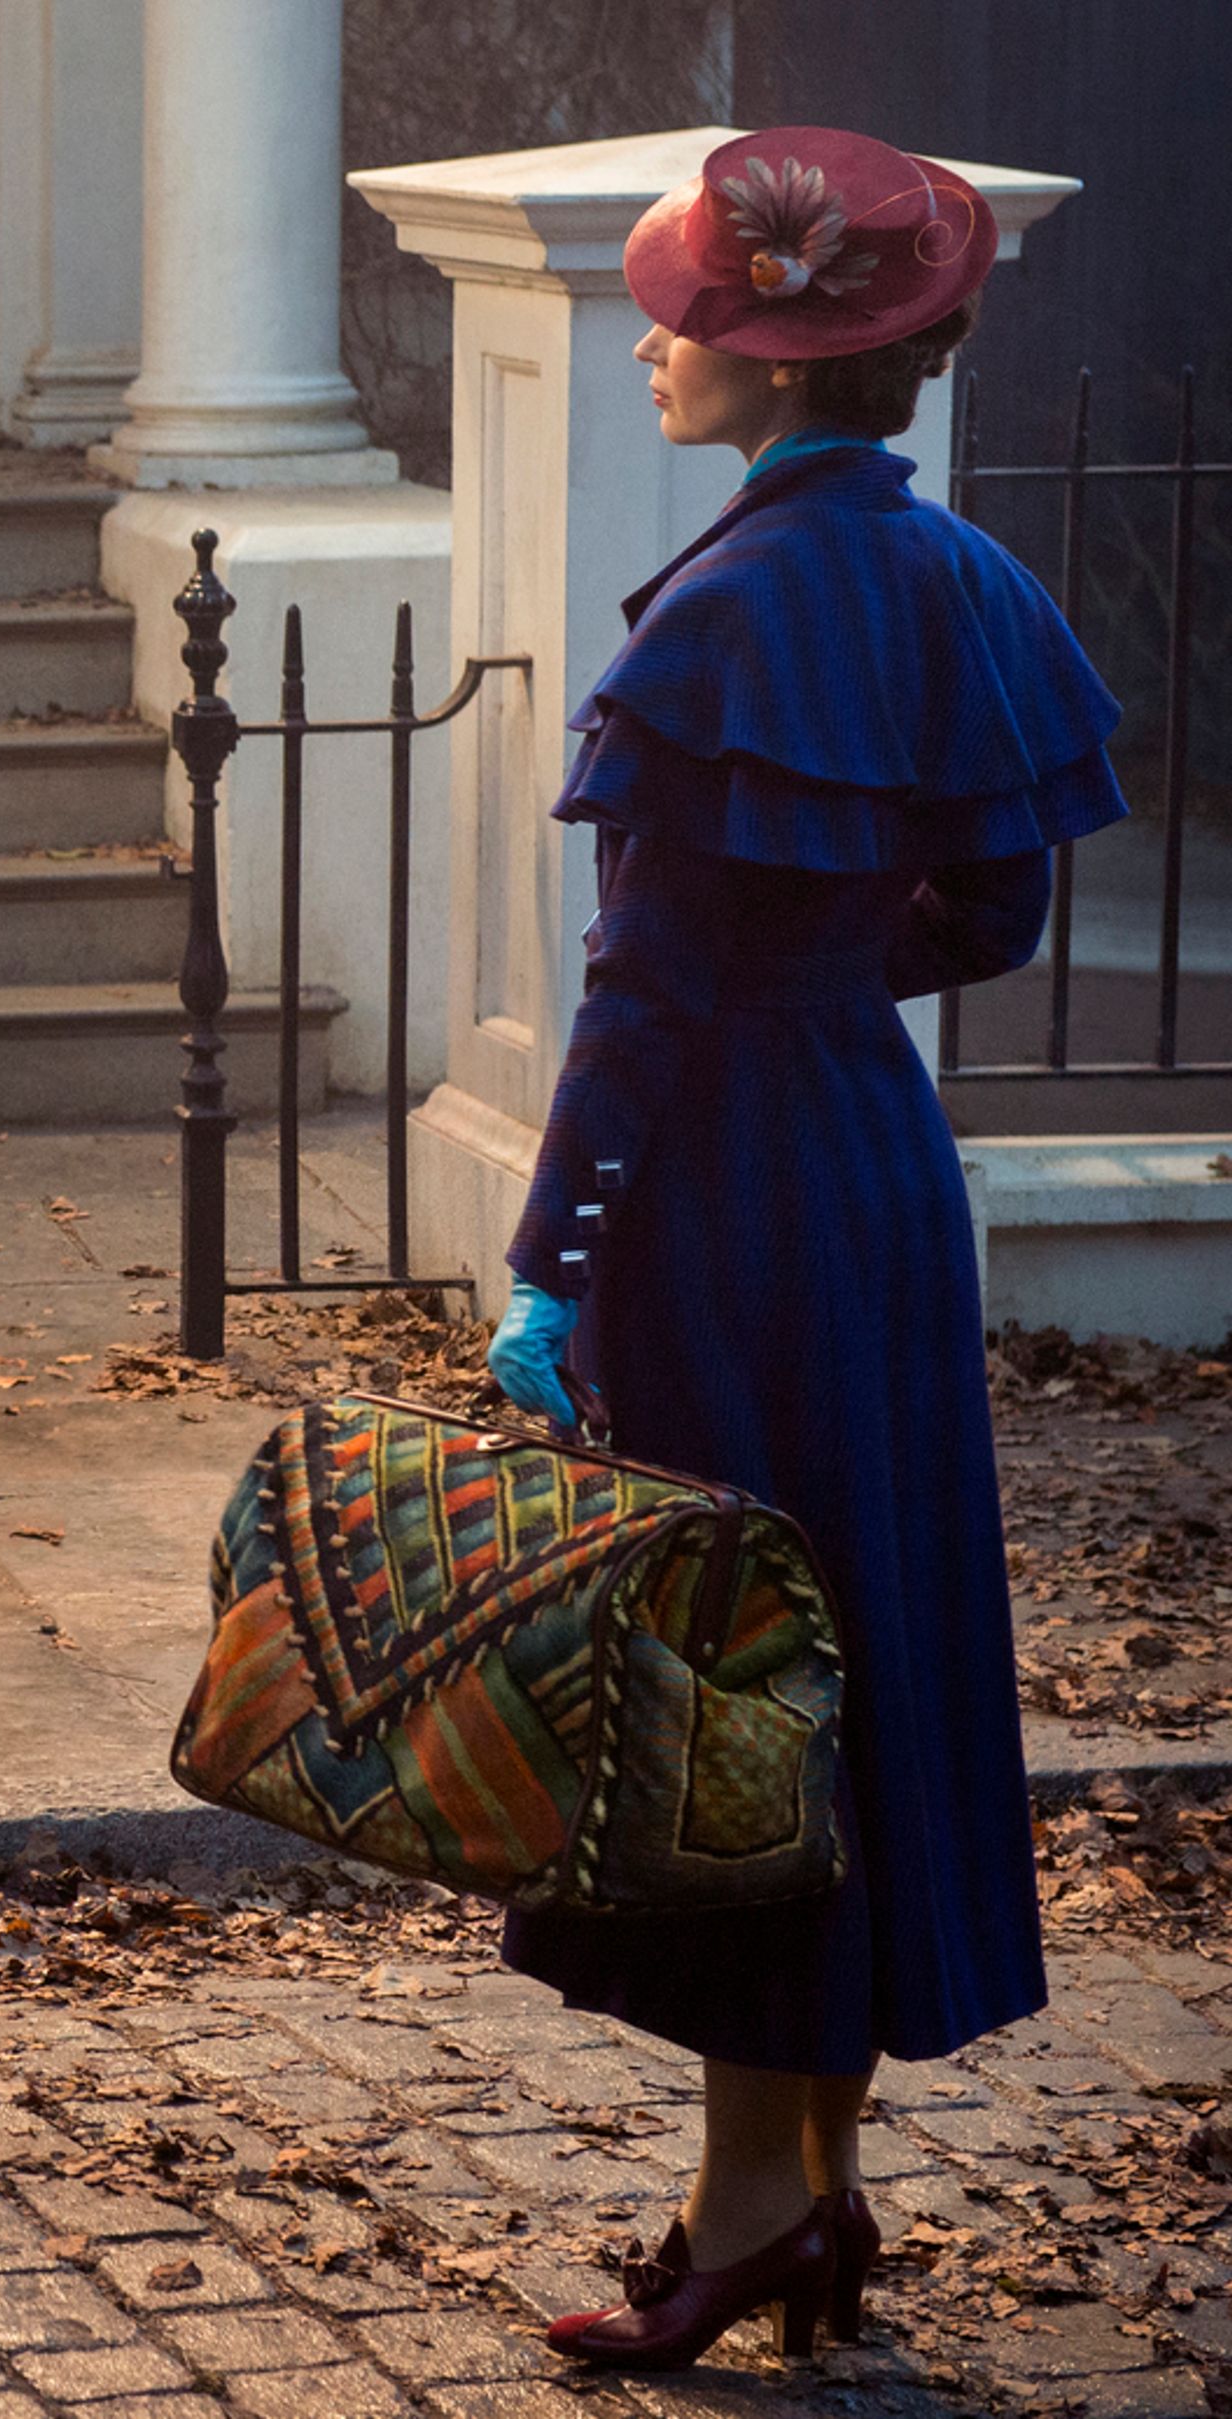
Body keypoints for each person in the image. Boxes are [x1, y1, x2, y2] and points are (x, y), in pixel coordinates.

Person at [486, 126, 1127, 2373]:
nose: (657, 343)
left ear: (771, 368)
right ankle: (807, 2189)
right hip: (872, 1158)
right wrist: (838, 962)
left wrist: (550, 1261)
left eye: (692, 320)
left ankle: (755, 2206)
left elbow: (640, 997)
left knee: (734, 1683)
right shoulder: (963, 586)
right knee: (851, 1645)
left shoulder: (733, 611)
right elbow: (1000, 903)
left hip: (730, 1194)